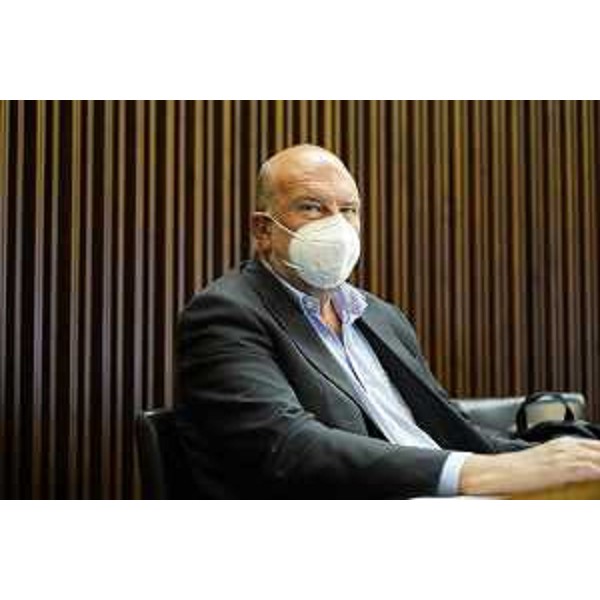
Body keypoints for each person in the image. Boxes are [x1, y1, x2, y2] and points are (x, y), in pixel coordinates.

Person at [176, 144, 600, 499]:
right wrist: (480, 473)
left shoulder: (380, 316)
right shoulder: (225, 313)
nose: (336, 225)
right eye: (311, 207)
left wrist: (555, 455)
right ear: (263, 230)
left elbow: (450, 429)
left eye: (348, 210)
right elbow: (288, 447)